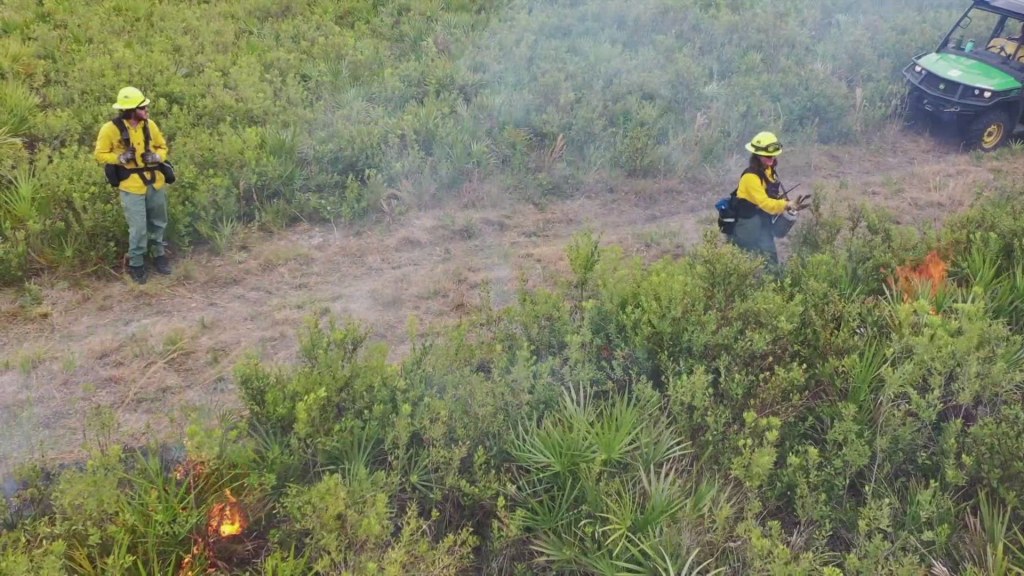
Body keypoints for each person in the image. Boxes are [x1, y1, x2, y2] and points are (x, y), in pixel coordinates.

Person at [95, 87, 171, 284]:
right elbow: (100, 154)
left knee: (158, 221)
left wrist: (157, 156)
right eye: (143, 107)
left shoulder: (150, 125)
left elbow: (163, 147)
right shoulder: (110, 129)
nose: (147, 109)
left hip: (155, 183)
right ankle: (136, 263)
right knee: (138, 227)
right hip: (131, 186)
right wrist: (119, 158)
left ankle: (159, 255)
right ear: (131, 110)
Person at [728, 131, 809, 266]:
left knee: (771, 264)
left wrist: (785, 206)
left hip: (762, 223)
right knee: (743, 264)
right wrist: (786, 204)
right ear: (757, 155)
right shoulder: (750, 177)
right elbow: (765, 203)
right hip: (747, 226)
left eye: (773, 154)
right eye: (767, 155)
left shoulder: (769, 170)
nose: (771, 157)